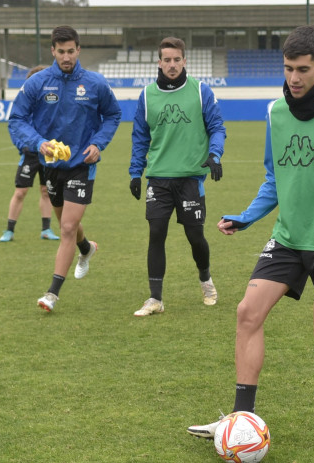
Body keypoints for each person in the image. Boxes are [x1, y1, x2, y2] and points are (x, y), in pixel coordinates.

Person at [186, 25, 314, 454]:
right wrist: (245, 217)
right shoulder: (276, 111)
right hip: (289, 237)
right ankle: (242, 418)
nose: (294, 78)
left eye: (302, 69)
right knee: (246, 312)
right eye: (288, 69)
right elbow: (275, 178)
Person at [8, 25, 122, 312]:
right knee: (66, 225)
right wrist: (38, 142)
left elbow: (113, 114)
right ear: (52, 51)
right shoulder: (38, 82)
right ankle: (87, 249)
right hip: (52, 166)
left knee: (68, 226)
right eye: (61, 52)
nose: (66, 57)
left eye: (71, 51)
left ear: (79, 49)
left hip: (83, 165)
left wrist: (98, 144)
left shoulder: (95, 83)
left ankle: (52, 294)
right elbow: (17, 118)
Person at [129, 37, 226, 317]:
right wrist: (136, 173)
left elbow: (217, 127)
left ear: (185, 61)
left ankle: (205, 279)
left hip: (190, 179)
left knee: (195, 236)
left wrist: (214, 155)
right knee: (156, 233)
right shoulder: (147, 96)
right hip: (158, 178)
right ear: (159, 63)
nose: (172, 65)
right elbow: (140, 137)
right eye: (166, 60)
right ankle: (155, 299)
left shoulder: (200, 91)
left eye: (176, 60)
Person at [0, 65, 60, 243]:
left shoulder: (51, 101)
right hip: (30, 153)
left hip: (47, 152)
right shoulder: (25, 101)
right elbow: (15, 126)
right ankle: (9, 230)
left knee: (46, 191)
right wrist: (22, 146)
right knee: (20, 192)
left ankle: (46, 229)